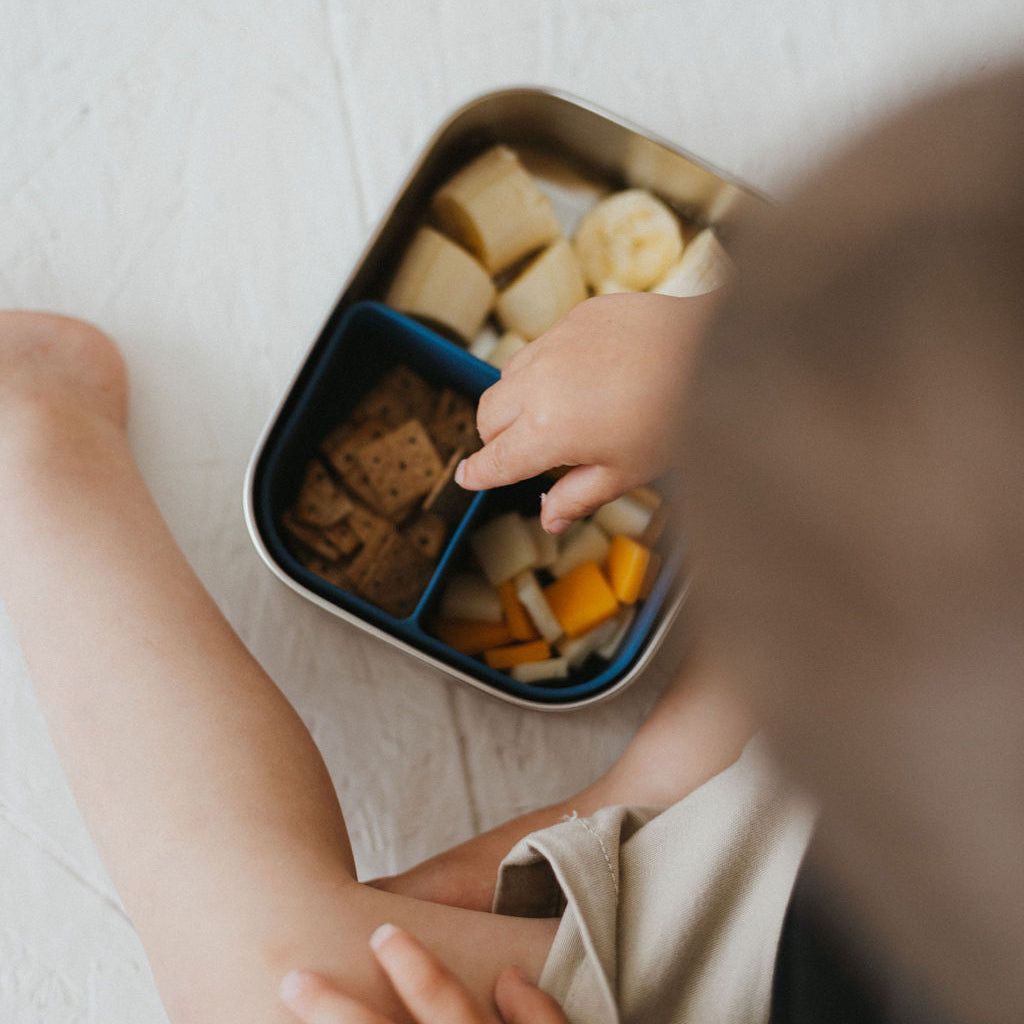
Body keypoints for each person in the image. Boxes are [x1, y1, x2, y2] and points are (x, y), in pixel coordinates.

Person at [3, 64, 1022, 1024]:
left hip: (792, 959)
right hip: (839, 803)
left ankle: (36, 422)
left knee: (274, 975)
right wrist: (708, 357)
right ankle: (667, 785)